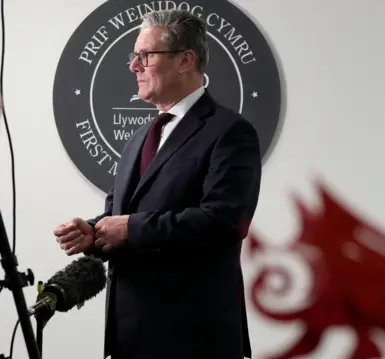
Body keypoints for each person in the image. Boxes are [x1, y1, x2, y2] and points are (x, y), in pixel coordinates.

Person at [53, 9, 260, 359]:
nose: (134, 66)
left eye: (145, 55)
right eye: (134, 56)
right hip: (129, 334)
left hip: (193, 337)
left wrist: (131, 229)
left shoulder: (229, 132)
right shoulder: (138, 138)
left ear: (185, 60)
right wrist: (94, 232)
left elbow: (223, 221)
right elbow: (120, 215)